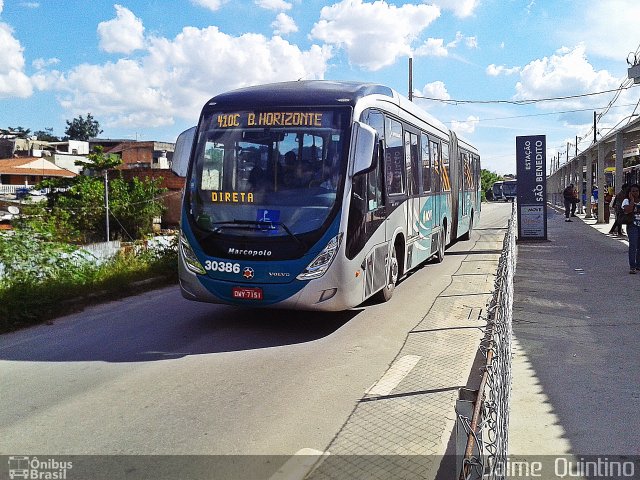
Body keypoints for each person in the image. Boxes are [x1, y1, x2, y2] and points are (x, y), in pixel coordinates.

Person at [621, 184, 640, 274]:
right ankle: (632, 266)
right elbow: (627, 210)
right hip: (632, 226)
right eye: (633, 191)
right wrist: (632, 201)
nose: (635, 193)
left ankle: (638, 265)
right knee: (633, 245)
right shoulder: (626, 201)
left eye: (636, 191)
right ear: (629, 192)